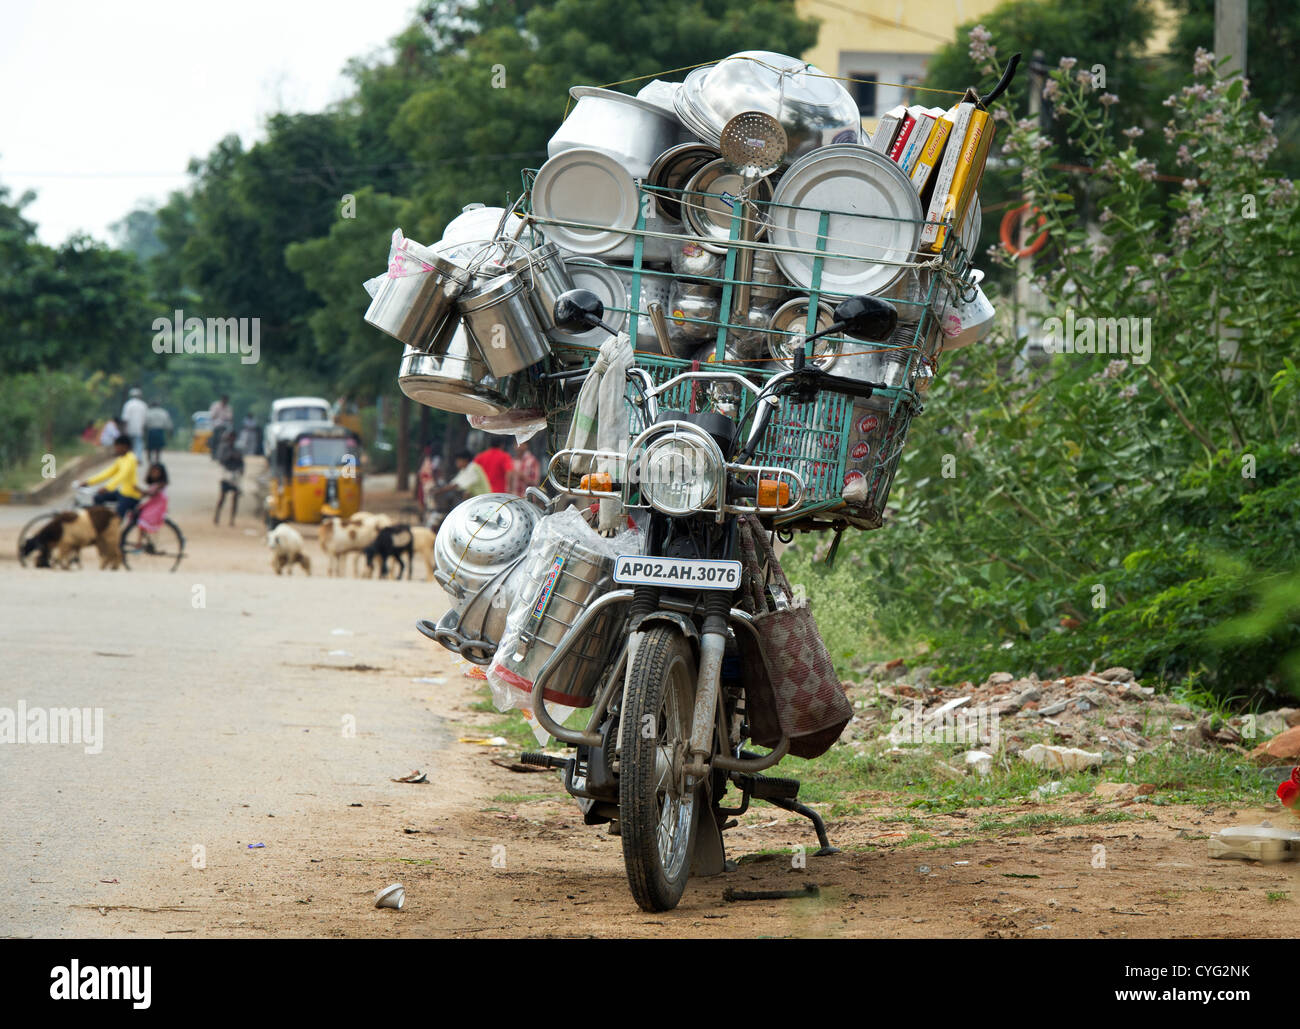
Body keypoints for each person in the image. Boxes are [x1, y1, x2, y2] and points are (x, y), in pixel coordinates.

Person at [79, 436, 141, 518]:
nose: (116, 449)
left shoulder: (131, 459)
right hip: (122, 492)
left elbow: (122, 475)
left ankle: (114, 529)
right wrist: (88, 482)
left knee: (117, 518)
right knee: (98, 498)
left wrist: (107, 487)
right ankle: (99, 520)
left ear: (125, 447)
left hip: (131, 495)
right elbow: (107, 473)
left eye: (118, 447)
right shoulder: (121, 459)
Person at [134, 462, 169, 537]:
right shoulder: (153, 484)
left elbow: (151, 493)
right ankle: (140, 540)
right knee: (138, 515)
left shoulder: (161, 484)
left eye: (156, 472)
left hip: (157, 506)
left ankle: (139, 542)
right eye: (152, 472)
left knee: (143, 518)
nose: (154, 474)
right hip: (152, 504)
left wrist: (139, 490)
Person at [214, 440, 244, 526]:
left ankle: (232, 519)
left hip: (235, 476)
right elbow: (221, 460)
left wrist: (241, 472)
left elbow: (241, 462)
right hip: (226, 475)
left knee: (235, 499)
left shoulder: (237, 449)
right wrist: (230, 456)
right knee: (222, 497)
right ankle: (217, 516)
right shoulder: (224, 448)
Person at [121, 387, 148, 464]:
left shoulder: (128, 404)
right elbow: (145, 419)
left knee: (130, 445)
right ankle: (138, 458)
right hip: (139, 428)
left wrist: (123, 430)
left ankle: (130, 458)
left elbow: (125, 418)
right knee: (139, 443)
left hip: (129, 428)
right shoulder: (143, 405)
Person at [144, 400, 173, 465]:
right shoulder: (163, 412)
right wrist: (170, 431)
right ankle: (157, 460)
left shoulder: (149, 412)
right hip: (160, 431)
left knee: (149, 446)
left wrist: (144, 431)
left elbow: (145, 423)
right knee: (158, 447)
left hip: (151, 431)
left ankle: (149, 460)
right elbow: (167, 422)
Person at [208, 394, 233, 461]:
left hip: (225, 427)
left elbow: (230, 417)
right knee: (214, 440)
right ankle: (213, 454)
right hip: (217, 426)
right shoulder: (216, 406)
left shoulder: (228, 407)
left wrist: (226, 418)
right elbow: (212, 416)